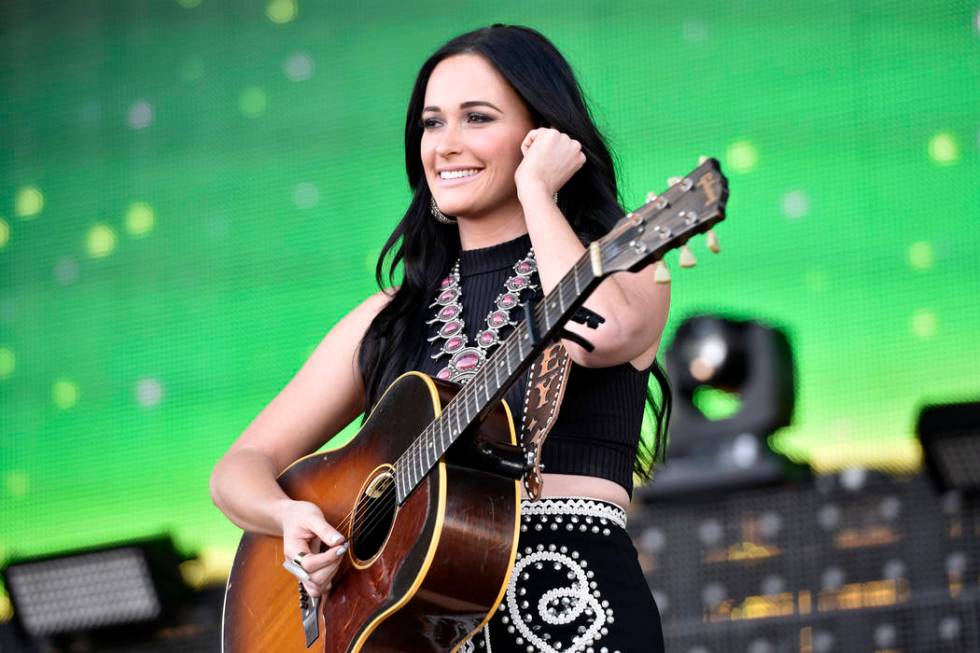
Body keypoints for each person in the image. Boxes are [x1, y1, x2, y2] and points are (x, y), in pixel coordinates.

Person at [210, 24, 670, 652]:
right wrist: (292, 518)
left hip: (573, 612)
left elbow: (601, 328)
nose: (445, 146)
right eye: (432, 124)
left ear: (543, 136)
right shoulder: (390, 316)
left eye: (476, 118)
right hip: (417, 631)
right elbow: (238, 470)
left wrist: (538, 192)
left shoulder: (624, 267)